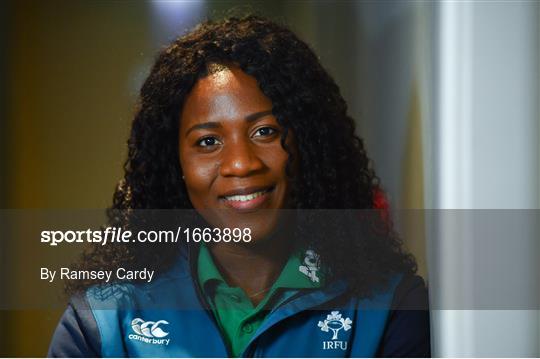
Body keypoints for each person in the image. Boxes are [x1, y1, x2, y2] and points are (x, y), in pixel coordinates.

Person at [48, 15, 430, 357]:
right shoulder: (103, 323)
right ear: (174, 163)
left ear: (308, 144)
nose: (241, 163)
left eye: (266, 131)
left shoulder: (391, 310)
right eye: (208, 141)